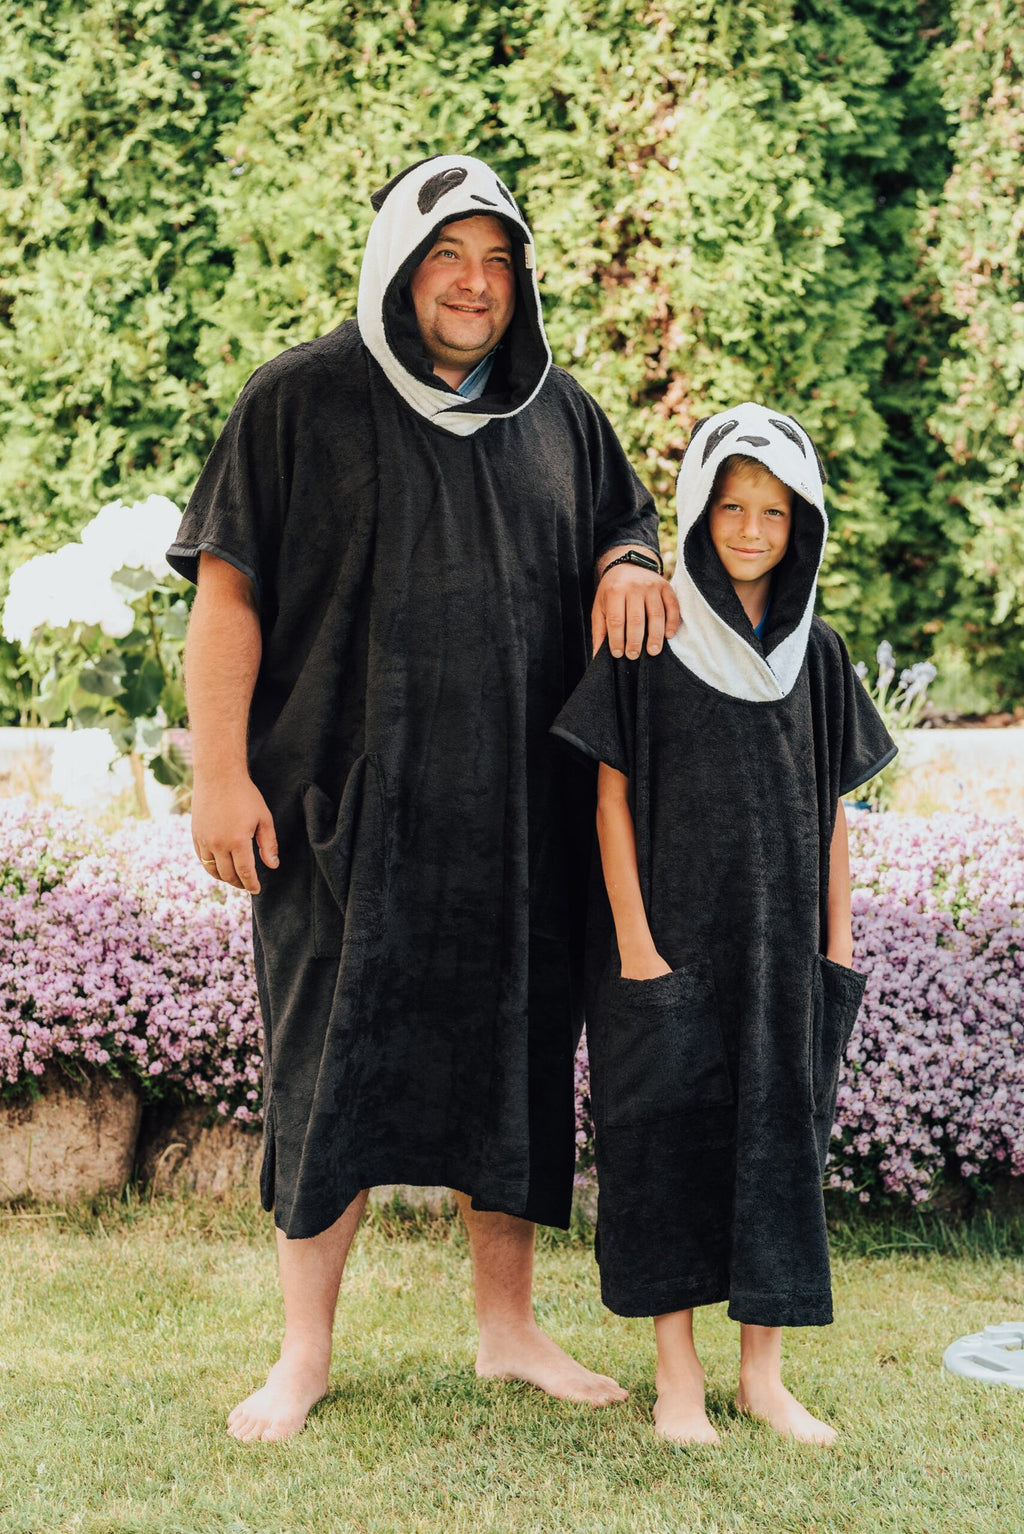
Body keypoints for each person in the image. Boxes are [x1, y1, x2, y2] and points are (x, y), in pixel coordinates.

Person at [167, 153, 680, 1443]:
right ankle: (303, 1352)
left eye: (498, 260)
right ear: (399, 264)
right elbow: (226, 593)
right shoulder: (297, 398)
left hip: (518, 819)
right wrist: (218, 775)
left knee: (515, 1067)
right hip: (337, 812)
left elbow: (623, 524)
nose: (474, 283)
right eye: (448, 253)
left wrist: (629, 560)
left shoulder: (559, 413)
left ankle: (508, 1330)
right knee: (322, 1069)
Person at [551, 402, 896, 1447]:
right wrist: (636, 943)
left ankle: (763, 1378)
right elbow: (609, 798)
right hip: (666, 948)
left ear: (804, 526)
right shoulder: (649, 639)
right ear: (700, 511)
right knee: (667, 1149)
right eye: (733, 507)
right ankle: (678, 1380)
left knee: (776, 1147)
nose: (752, 529)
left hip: (784, 956)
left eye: (775, 512)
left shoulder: (818, 655)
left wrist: (836, 942)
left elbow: (833, 808)